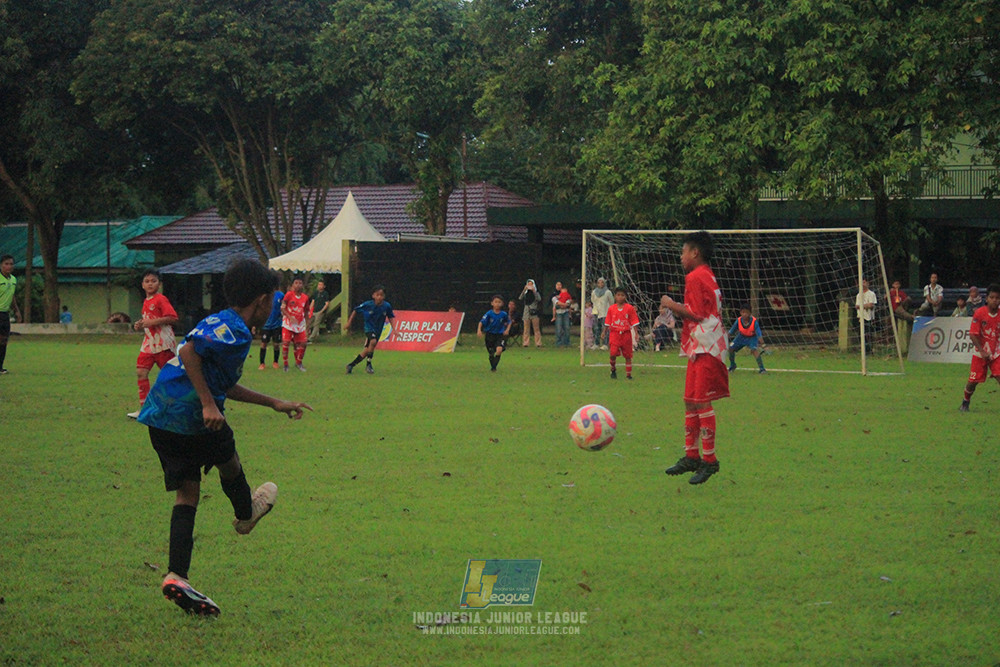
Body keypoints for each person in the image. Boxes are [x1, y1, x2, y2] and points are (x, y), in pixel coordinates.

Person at [137, 258, 312, 616]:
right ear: (262, 300)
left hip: (159, 413)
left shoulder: (221, 321)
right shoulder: (237, 330)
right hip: (191, 415)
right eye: (275, 301)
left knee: (188, 491)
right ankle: (246, 513)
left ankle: (176, 576)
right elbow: (187, 352)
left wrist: (273, 402)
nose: (275, 308)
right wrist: (207, 404)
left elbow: (223, 383)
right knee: (228, 458)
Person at [662, 231, 729, 485]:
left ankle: (709, 461)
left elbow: (697, 313)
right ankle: (691, 455)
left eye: (683, 251)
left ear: (695, 252)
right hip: (699, 345)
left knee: (701, 401)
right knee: (690, 400)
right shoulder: (706, 274)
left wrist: (669, 303)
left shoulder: (695, 276)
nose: (681, 257)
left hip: (707, 345)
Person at [128, 269, 178, 419]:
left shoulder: (161, 299)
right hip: (149, 343)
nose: (150, 284)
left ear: (159, 284)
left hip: (163, 343)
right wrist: (141, 324)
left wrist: (151, 322)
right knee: (141, 372)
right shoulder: (146, 301)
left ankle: (177, 406)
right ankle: (144, 409)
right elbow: (149, 319)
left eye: (153, 281)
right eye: (147, 281)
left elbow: (173, 317)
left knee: (171, 376)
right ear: (142, 285)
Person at [960, 283, 1000, 412]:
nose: (995, 300)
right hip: (980, 352)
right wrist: (982, 351)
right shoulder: (979, 313)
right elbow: (972, 334)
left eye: (997, 298)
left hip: (997, 352)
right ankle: (965, 402)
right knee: (973, 381)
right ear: (987, 299)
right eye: (992, 297)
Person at [346, 285, 396, 374]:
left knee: (367, 350)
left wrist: (394, 329)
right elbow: (355, 310)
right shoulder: (368, 305)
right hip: (368, 328)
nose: (379, 297)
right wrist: (349, 323)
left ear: (384, 296)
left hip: (378, 330)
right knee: (373, 342)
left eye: (381, 295)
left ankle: (351, 365)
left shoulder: (387, 306)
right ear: (373, 295)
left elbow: (391, 317)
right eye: (377, 295)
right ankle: (368, 365)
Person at [603, 287, 639, 380]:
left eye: (622, 295)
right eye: (618, 295)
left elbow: (634, 321)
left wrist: (636, 333)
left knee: (628, 355)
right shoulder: (611, 309)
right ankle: (613, 369)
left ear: (625, 297)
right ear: (615, 297)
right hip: (614, 334)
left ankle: (628, 375)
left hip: (626, 334)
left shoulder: (629, 308)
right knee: (613, 353)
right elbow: (607, 322)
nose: (620, 297)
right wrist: (604, 332)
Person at [280, 276, 309, 372]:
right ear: (292, 285)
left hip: (299, 324)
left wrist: (307, 325)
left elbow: (306, 311)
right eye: (296, 283)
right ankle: (285, 364)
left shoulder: (305, 298)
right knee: (286, 342)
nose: (298, 285)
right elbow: (283, 308)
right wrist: (290, 317)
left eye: (300, 283)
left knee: (303, 343)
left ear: (303, 285)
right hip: (288, 323)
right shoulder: (288, 295)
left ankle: (299, 362)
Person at [0, 254, 22, 375]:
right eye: (6, 264)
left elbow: (12, 296)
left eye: (11, 264)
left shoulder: (13, 280)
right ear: (1, 265)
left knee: (4, 341)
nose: (9, 266)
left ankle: (0, 367)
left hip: (5, 314)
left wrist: (17, 310)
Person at [478, 295, 512, 372]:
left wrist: (507, 330)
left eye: (499, 302)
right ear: (492, 303)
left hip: (499, 335)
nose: (497, 304)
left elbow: (509, 322)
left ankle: (494, 368)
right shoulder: (489, 313)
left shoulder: (503, 314)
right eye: (496, 302)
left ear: (502, 304)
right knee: (491, 353)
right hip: (489, 335)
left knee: (499, 350)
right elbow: (481, 322)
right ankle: (493, 366)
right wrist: (479, 330)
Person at [727, 306, 766, 373]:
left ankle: (762, 369)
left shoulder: (754, 321)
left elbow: (759, 334)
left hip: (752, 337)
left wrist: (763, 344)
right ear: (740, 313)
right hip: (741, 337)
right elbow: (731, 331)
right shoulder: (738, 320)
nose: (744, 314)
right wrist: (724, 339)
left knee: (754, 350)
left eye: (746, 312)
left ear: (750, 313)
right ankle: (732, 365)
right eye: (743, 312)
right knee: (731, 348)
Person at [257, 286, 284, 370]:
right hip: (266, 324)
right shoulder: (265, 295)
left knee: (276, 344)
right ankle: (262, 363)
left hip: (277, 324)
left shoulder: (281, 295)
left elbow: (284, 307)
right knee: (263, 344)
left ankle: (275, 362)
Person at [591, 277, 613, 350]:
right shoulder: (594, 292)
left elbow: (611, 302)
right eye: (599, 282)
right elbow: (592, 300)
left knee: (605, 329)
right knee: (596, 329)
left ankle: (605, 344)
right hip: (596, 312)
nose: (600, 284)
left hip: (605, 313)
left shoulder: (608, 292)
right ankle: (596, 343)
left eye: (602, 282)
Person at [855, 278, 877, 351]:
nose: (862, 284)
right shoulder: (858, 295)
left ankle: (869, 349)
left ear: (868, 283)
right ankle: (863, 349)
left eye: (864, 282)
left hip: (869, 317)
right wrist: (865, 305)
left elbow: (871, 305)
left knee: (868, 334)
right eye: (861, 282)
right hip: (861, 316)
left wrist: (862, 306)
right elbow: (857, 306)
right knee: (860, 334)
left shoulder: (871, 294)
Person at [519, 279, 542, 347]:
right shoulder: (525, 293)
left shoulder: (536, 292)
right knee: (526, 328)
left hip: (534, 311)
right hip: (526, 312)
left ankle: (538, 343)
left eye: (531, 284)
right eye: (528, 284)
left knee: (536, 328)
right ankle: (526, 343)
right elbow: (520, 298)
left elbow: (539, 299)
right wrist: (524, 290)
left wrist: (534, 291)